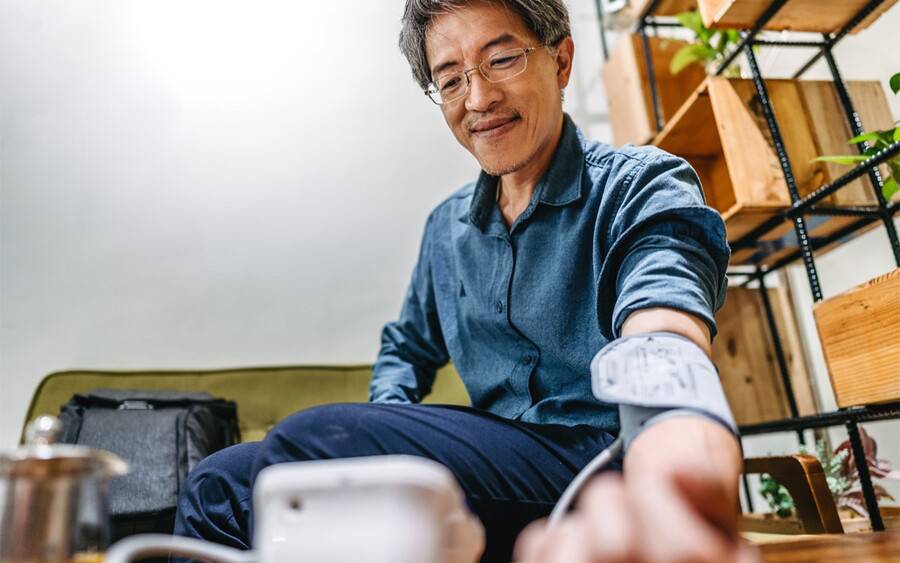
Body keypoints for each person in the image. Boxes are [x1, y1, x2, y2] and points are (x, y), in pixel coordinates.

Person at [174, 1, 753, 561]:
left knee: (314, 442)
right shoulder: (446, 229)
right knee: (217, 485)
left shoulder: (641, 185)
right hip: (500, 467)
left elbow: (663, 336)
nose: (478, 99)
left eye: (502, 59)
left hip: (605, 458)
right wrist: (390, 420)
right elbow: (405, 346)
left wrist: (676, 468)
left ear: (561, 60)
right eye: (450, 80)